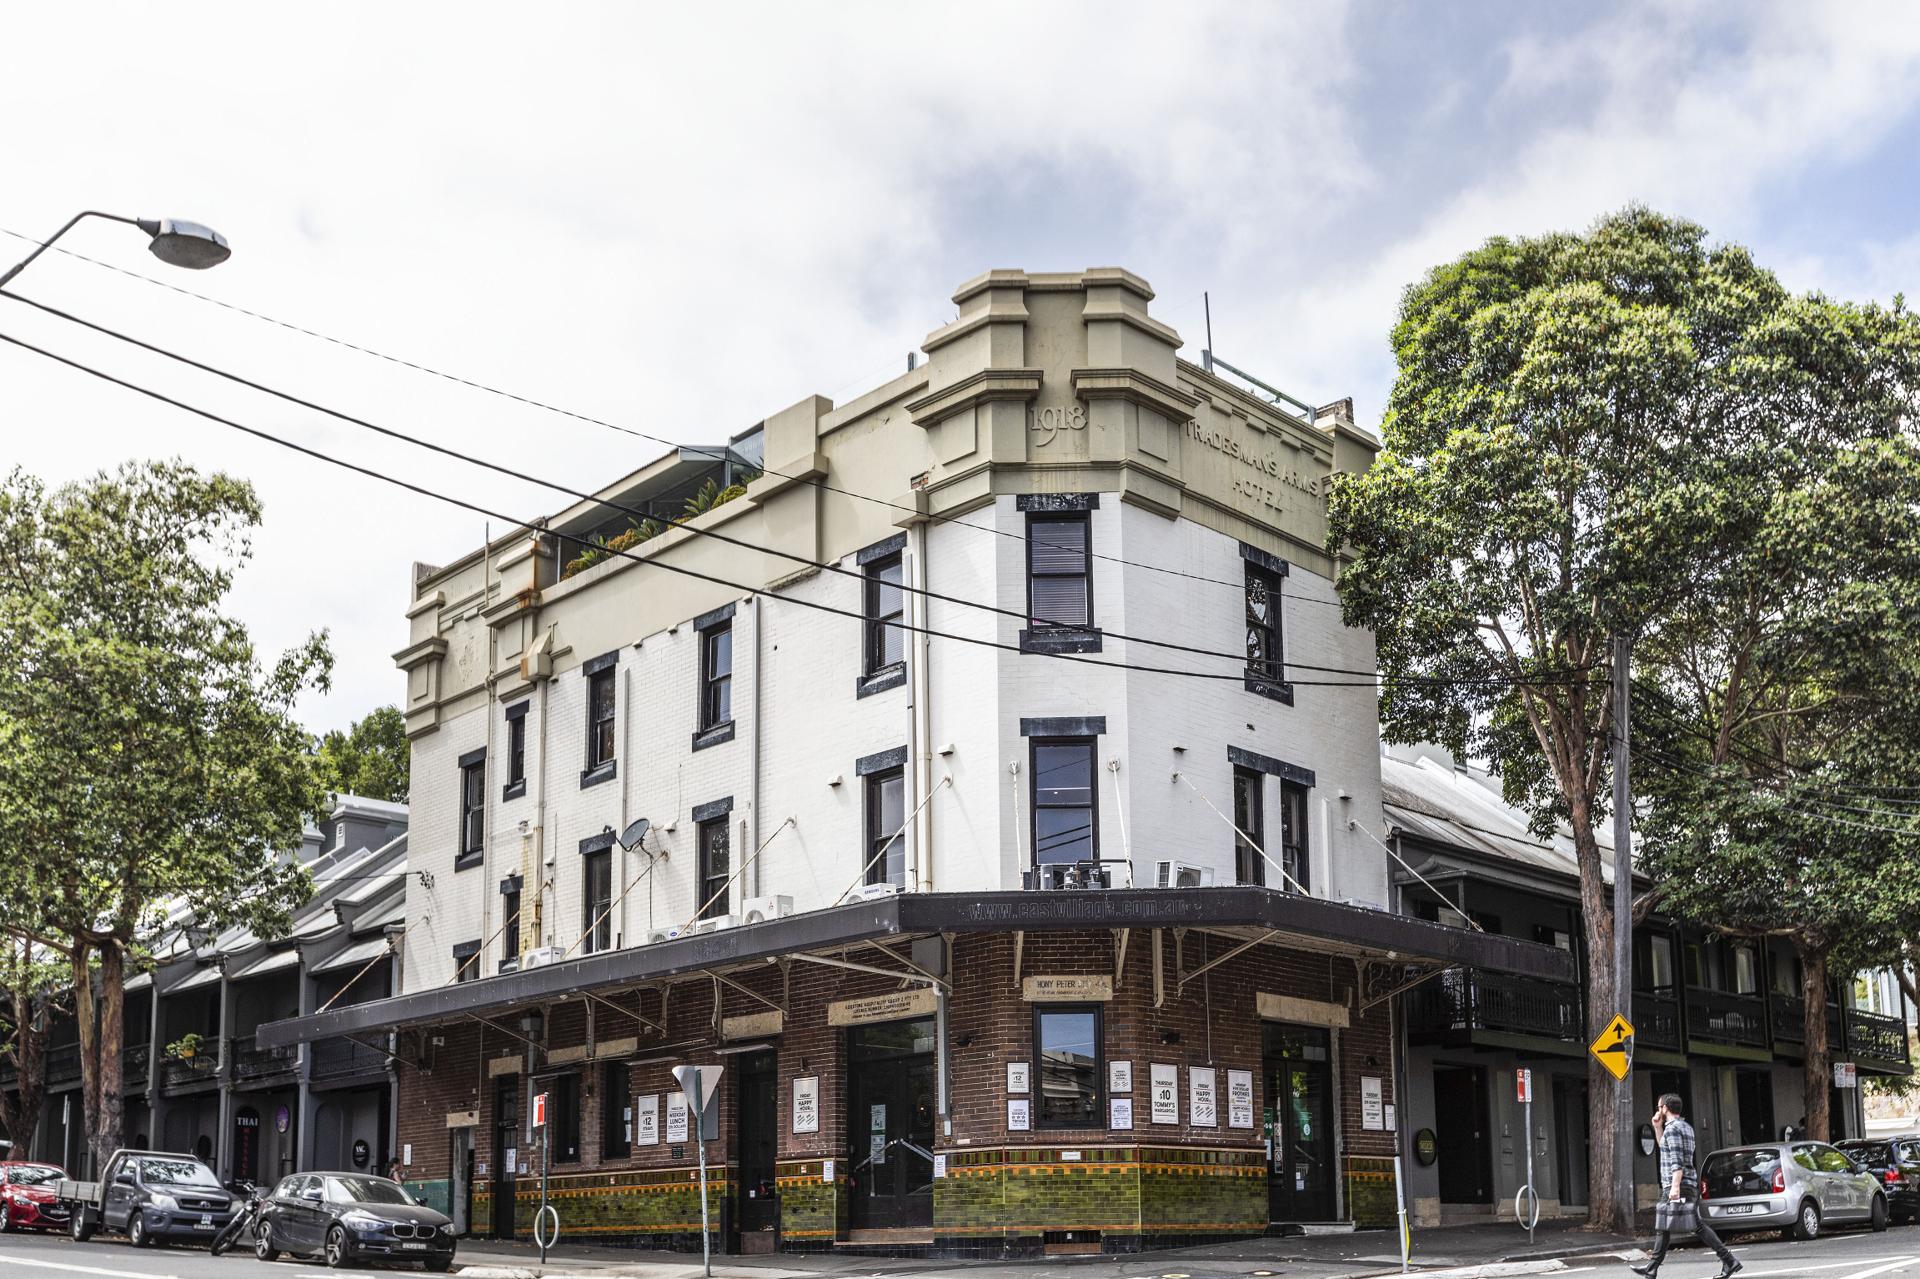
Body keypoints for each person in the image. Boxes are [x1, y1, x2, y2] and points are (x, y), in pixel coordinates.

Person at [1633, 1093, 1740, 1279]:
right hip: (1685, 1183)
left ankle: (1729, 1260)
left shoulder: (1673, 1130)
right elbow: (1666, 1148)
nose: (1658, 1110)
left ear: (1665, 1108)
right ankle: (1652, 1268)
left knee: (1690, 1226)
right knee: (1665, 1226)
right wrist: (1657, 1127)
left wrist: (1675, 1187)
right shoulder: (1684, 1127)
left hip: (1677, 1184)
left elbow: (1677, 1160)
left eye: (1659, 1107)